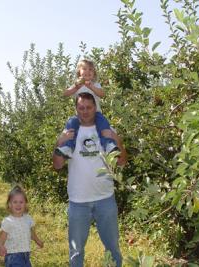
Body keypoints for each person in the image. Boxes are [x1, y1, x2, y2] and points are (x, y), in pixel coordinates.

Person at [53, 92, 127, 267]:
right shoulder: (69, 132)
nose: (85, 111)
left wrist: (116, 138)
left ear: (95, 108)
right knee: (76, 250)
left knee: (112, 248)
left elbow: (122, 162)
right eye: (81, 108)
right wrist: (59, 142)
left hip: (105, 199)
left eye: (88, 107)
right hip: (78, 201)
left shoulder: (106, 130)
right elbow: (57, 165)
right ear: (76, 109)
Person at [54, 59, 118, 159]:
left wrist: (91, 87)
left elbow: (102, 94)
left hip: (96, 114)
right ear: (79, 72)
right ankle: (67, 147)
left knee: (104, 124)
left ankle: (109, 145)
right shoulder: (77, 85)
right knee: (71, 123)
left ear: (94, 73)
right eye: (84, 69)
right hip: (80, 116)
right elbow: (65, 93)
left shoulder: (95, 84)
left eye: (91, 69)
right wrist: (75, 87)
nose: (88, 71)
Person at [0, 185, 44, 267]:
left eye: (21, 202)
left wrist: (38, 241)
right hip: (13, 256)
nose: (18, 205)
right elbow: (2, 237)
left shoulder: (28, 218)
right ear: (10, 204)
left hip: (26, 255)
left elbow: (31, 233)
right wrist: (0, 246)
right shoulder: (8, 221)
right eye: (15, 202)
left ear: (25, 204)